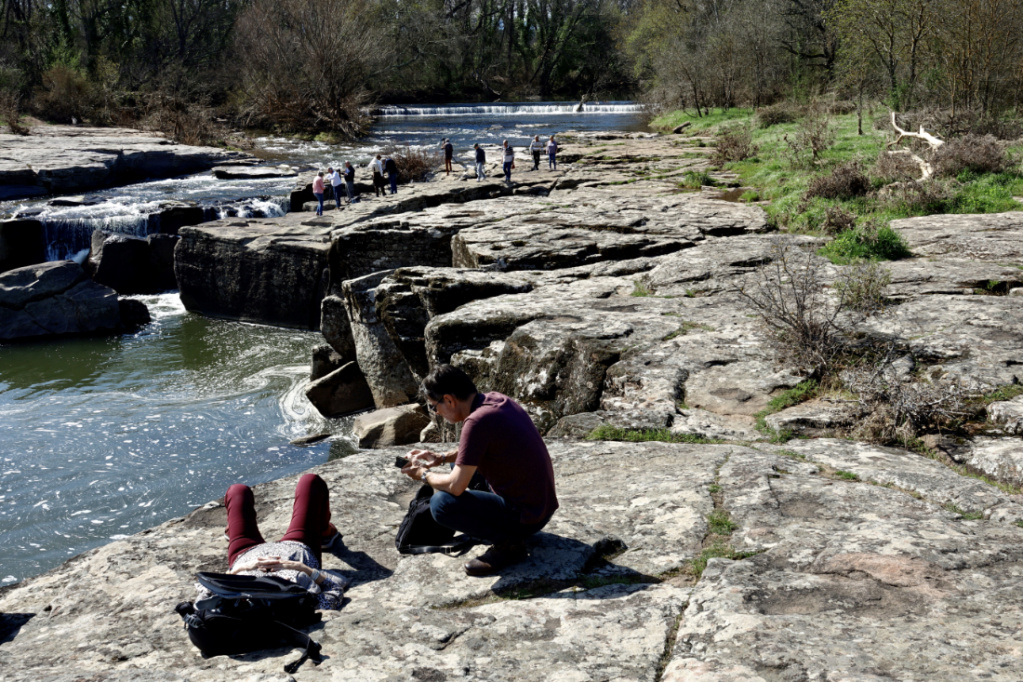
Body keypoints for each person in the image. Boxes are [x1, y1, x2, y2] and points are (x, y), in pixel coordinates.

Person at [402, 364, 559, 577]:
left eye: (434, 406)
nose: (436, 413)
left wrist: (422, 475)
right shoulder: (496, 400)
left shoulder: (476, 422)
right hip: (541, 506)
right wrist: (440, 458)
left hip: (526, 517)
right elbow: (476, 447)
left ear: (449, 399)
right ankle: (498, 526)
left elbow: (455, 487)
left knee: (441, 504)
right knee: (454, 467)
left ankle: (509, 545)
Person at [196, 474, 347, 610]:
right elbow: (336, 586)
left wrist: (239, 570)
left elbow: (204, 594)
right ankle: (324, 532)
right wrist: (301, 567)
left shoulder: (240, 601)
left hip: (245, 552)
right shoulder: (301, 602)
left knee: (238, 491)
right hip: (297, 546)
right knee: (311, 481)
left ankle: (234, 531)